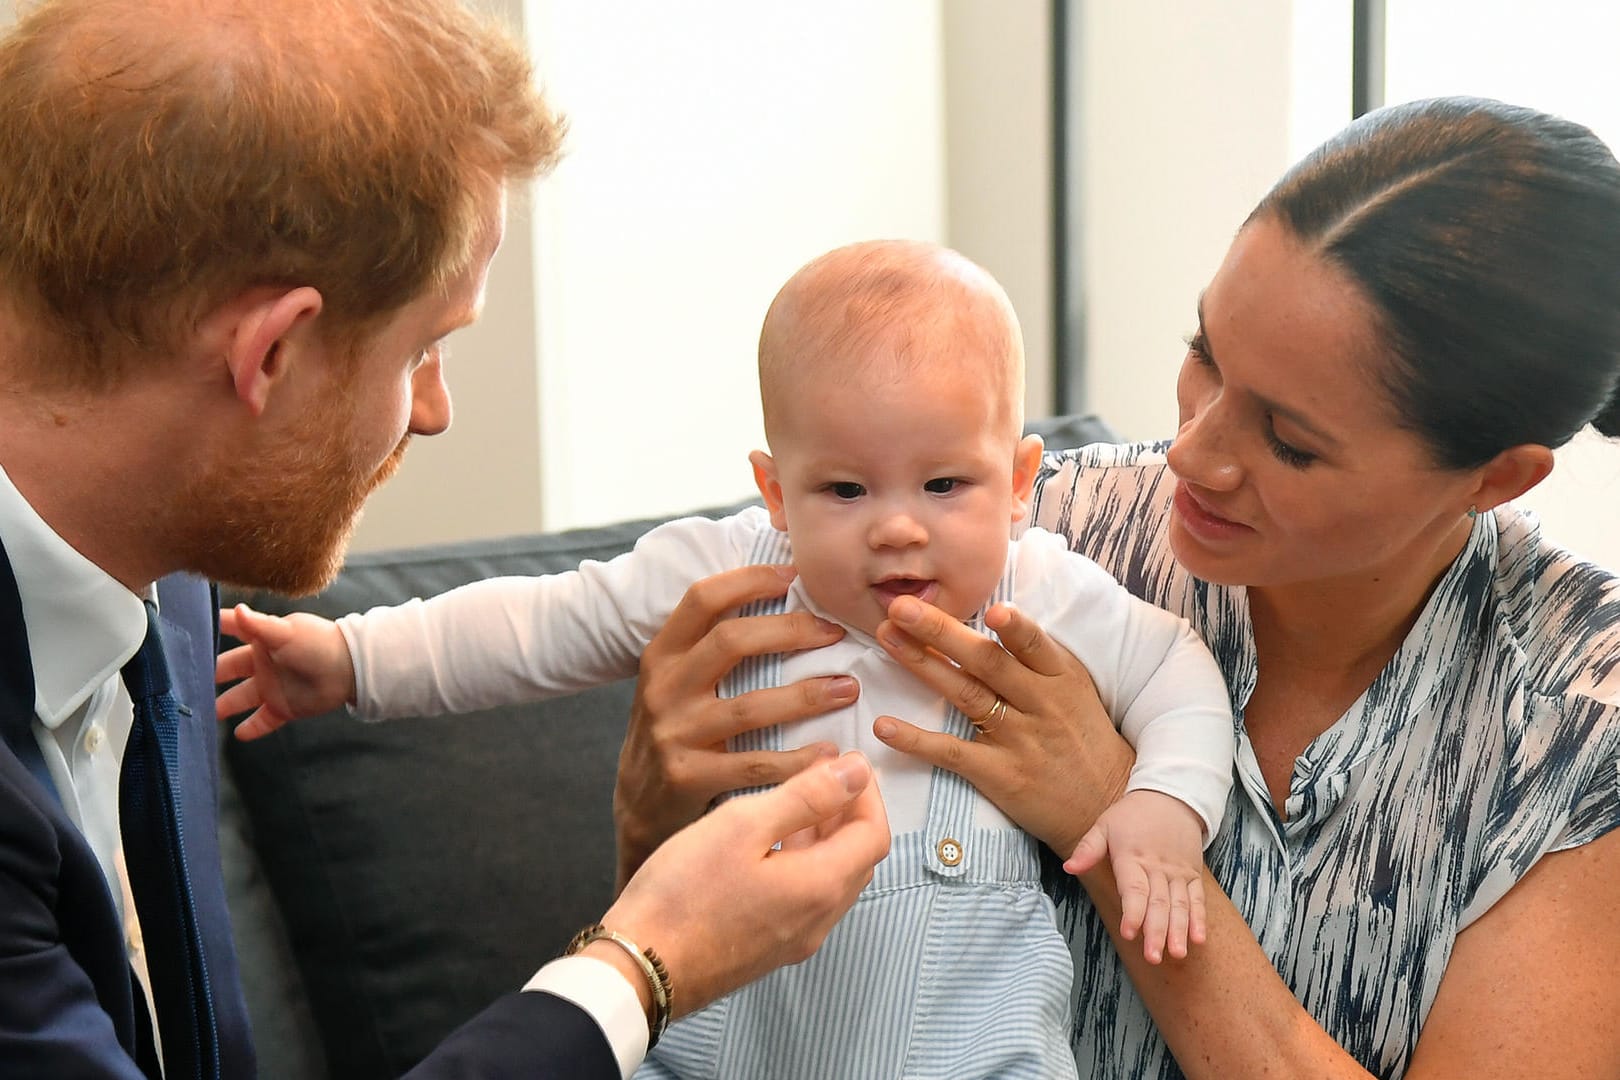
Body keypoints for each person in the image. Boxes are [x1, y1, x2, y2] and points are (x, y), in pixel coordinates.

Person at [617, 96, 1620, 1080]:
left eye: (1288, 440)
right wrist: (650, 817)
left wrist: (1109, 807)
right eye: (1204, 355)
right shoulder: (1018, 530)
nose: (1193, 450)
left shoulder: (1576, 735)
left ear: (1495, 477)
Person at [0, 1, 890, 1078]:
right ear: (272, 353)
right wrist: (643, 967)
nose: (433, 411)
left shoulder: (163, 563)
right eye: (427, 346)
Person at [215, 238, 1236, 1079]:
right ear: (775, 491)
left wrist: (1162, 809)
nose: (898, 531)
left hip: (969, 1046)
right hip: (732, 1038)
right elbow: (540, 625)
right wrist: (349, 660)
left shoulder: (1044, 589)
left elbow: (1177, 674)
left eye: (944, 486)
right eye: (845, 491)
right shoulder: (729, 570)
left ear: (1018, 482)